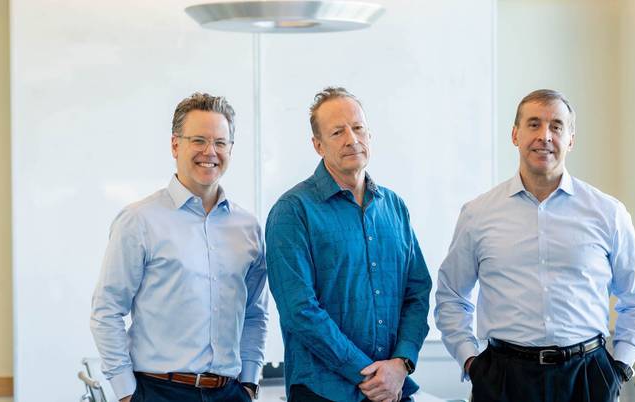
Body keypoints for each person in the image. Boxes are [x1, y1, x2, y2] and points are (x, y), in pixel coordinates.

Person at [435, 89, 635, 402]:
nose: (545, 136)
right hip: (503, 380)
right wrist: (471, 362)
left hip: (587, 378)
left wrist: (618, 368)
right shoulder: (478, 214)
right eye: (534, 124)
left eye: (556, 126)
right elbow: (451, 296)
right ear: (515, 134)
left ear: (571, 139)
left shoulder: (608, 213)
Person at [90, 92, 268, 402]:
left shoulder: (248, 227)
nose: (209, 152)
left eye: (220, 142)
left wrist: (249, 383)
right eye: (198, 140)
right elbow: (107, 311)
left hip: (230, 392)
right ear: (175, 145)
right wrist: (126, 393)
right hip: (157, 391)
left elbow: (255, 314)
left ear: (230, 149)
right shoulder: (139, 221)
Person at [265, 87, 432, 402]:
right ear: (318, 145)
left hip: (394, 389)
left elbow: (418, 291)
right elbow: (299, 309)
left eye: (358, 128)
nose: (351, 139)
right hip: (323, 392)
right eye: (337, 131)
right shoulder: (292, 211)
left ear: (370, 135)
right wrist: (367, 373)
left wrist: (401, 363)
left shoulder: (395, 207)